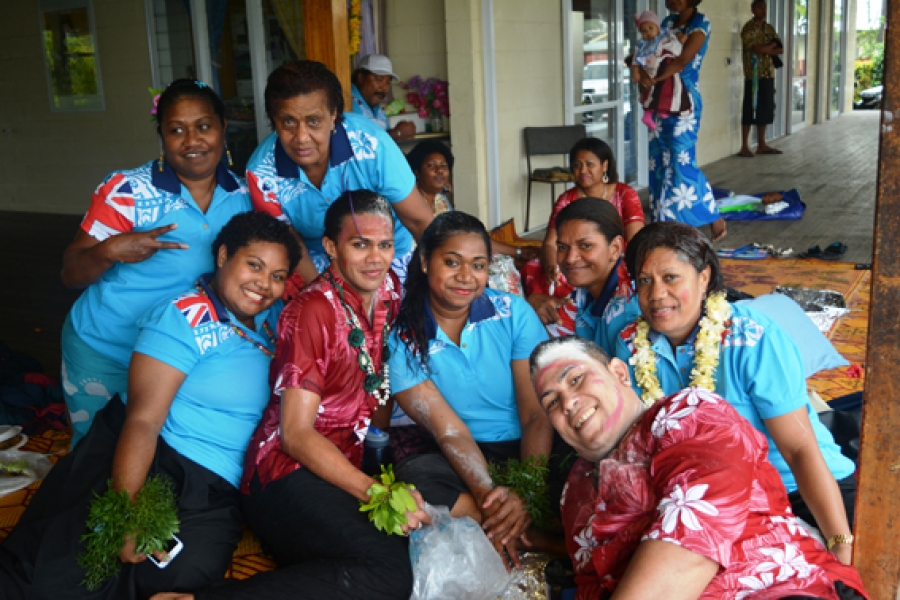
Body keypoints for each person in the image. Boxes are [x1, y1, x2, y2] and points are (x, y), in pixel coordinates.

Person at [0, 212, 300, 599]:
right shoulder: (183, 317)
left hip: (218, 484)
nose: (265, 284)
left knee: (179, 578)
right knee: (61, 573)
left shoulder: (276, 320)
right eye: (254, 266)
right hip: (156, 456)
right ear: (224, 255)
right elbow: (142, 421)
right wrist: (128, 512)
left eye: (278, 275)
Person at [155, 190, 428, 600]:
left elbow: (380, 382)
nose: (375, 257)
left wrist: (377, 463)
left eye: (385, 244)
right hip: (283, 475)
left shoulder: (387, 289)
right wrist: (377, 492)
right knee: (390, 571)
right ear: (332, 248)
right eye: (360, 244)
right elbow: (295, 435)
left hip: (339, 467)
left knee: (407, 550)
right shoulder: (312, 311)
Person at [530, 336, 869, 600]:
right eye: (552, 402)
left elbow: (692, 540)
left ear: (619, 373)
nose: (568, 402)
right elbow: (592, 585)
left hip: (778, 589)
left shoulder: (689, 414)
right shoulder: (575, 493)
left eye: (575, 380)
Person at [614, 222, 857, 566]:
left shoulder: (753, 338)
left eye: (671, 278)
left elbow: (800, 449)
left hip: (798, 489)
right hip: (710, 501)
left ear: (703, 278)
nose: (656, 295)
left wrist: (840, 541)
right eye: (645, 281)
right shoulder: (629, 346)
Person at [60, 79, 251, 447]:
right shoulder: (128, 191)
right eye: (176, 130)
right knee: (94, 457)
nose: (192, 141)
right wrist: (110, 250)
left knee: (162, 454)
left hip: (182, 355)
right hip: (107, 348)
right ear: (161, 136)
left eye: (204, 127)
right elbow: (71, 272)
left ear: (223, 128)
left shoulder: (245, 195)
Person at [388, 211, 568, 566]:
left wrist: (527, 490)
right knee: (416, 478)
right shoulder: (404, 337)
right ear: (425, 262)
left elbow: (535, 414)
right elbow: (449, 430)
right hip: (461, 452)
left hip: (532, 445)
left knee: (583, 465)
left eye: (478, 265)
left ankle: (513, 525)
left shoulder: (513, 312)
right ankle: (525, 534)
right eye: (452, 262)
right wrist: (491, 496)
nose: (465, 277)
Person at [247, 60, 433, 286]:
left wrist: (432, 283)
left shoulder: (371, 145)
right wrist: (331, 300)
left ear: (334, 115)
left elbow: (419, 221)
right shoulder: (262, 174)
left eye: (313, 121)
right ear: (273, 121)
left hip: (388, 255)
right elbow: (292, 245)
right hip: (317, 263)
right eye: (288, 122)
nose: (301, 137)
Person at [635, 0, 727, 242]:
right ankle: (662, 222)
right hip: (658, 100)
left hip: (683, 100)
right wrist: (643, 75)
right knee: (659, 160)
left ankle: (712, 216)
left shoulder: (700, 23)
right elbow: (647, 51)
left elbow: (684, 59)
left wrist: (656, 78)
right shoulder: (665, 23)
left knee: (680, 159)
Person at [405, 139, 538, 292]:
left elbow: (465, 236)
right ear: (417, 173)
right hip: (423, 266)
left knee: (502, 261)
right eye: (431, 166)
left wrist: (519, 251)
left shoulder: (442, 201)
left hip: (450, 257)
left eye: (443, 166)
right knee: (495, 268)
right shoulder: (410, 204)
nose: (439, 170)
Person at [529, 200, 640, 351]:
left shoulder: (631, 306)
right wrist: (527, 307)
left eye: (585, 246)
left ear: (615, 248)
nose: (570, 258)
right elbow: (551, 349)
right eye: (562, 247)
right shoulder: (582, 296)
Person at [631, 10, 693, 130]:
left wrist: (682, 37)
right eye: (643, 30)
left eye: (650, 28)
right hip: (649, 70)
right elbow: (635, 60)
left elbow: (676, 35)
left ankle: (662, 110)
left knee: (664, 91)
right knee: (649, 94)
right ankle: (647, 116)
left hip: (661, 69)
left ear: (658, 27)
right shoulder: (642, 44)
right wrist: (636, 73)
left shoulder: (664, 34)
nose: (647, 32)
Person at [738, 0, 785, 157]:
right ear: (753, 9)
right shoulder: (748, 28)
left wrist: (767, 49)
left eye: (765, 7)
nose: (763, 10)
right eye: (760, 7)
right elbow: (756, 48)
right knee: (749, 108)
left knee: (765, 108)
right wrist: (769, 47)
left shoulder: (769, 28)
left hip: (768, 74)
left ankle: (762, 144)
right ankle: (744, 146)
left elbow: (781, 49)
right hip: (753, 75)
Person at [350, 53, 416, 143]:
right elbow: (360, 144)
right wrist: (397, 133)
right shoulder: (349, 103)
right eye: (379, 79)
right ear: (361, 77)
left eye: (387, 82)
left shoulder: (377, 109)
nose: (384, 87)